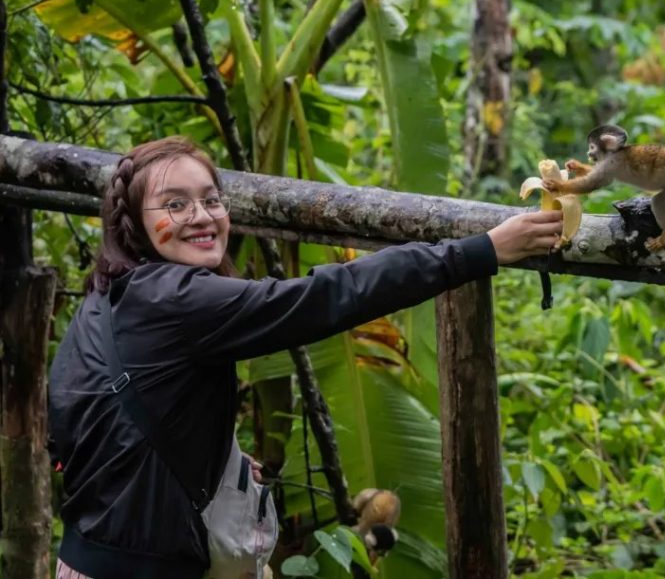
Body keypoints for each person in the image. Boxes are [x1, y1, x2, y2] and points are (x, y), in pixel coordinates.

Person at [48, 136, 563, 579]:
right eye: (175, 205)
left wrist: (205, 457)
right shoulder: (177, 299)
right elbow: (324, 296)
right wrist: (481, 250)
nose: (202, 217)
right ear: (137, 222)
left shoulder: (107, 297)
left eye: (211, 199)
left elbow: (74, 421)